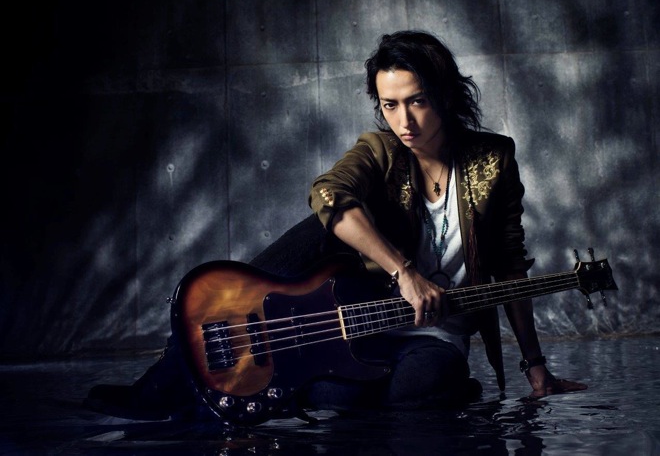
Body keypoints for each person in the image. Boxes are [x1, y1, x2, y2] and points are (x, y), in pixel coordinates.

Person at [85, 30, 586, 421]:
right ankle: (176, 367)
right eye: (390, 105)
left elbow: (510, 264)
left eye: (417, 101)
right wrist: (404, 272)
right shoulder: (381, 149)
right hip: (360, 316)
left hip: (436, 333)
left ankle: (423, 388)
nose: (404, 121)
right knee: (323, 225)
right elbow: (328, 192)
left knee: (409, 390)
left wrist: (535, 367)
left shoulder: (494, 159)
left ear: (446, 96)